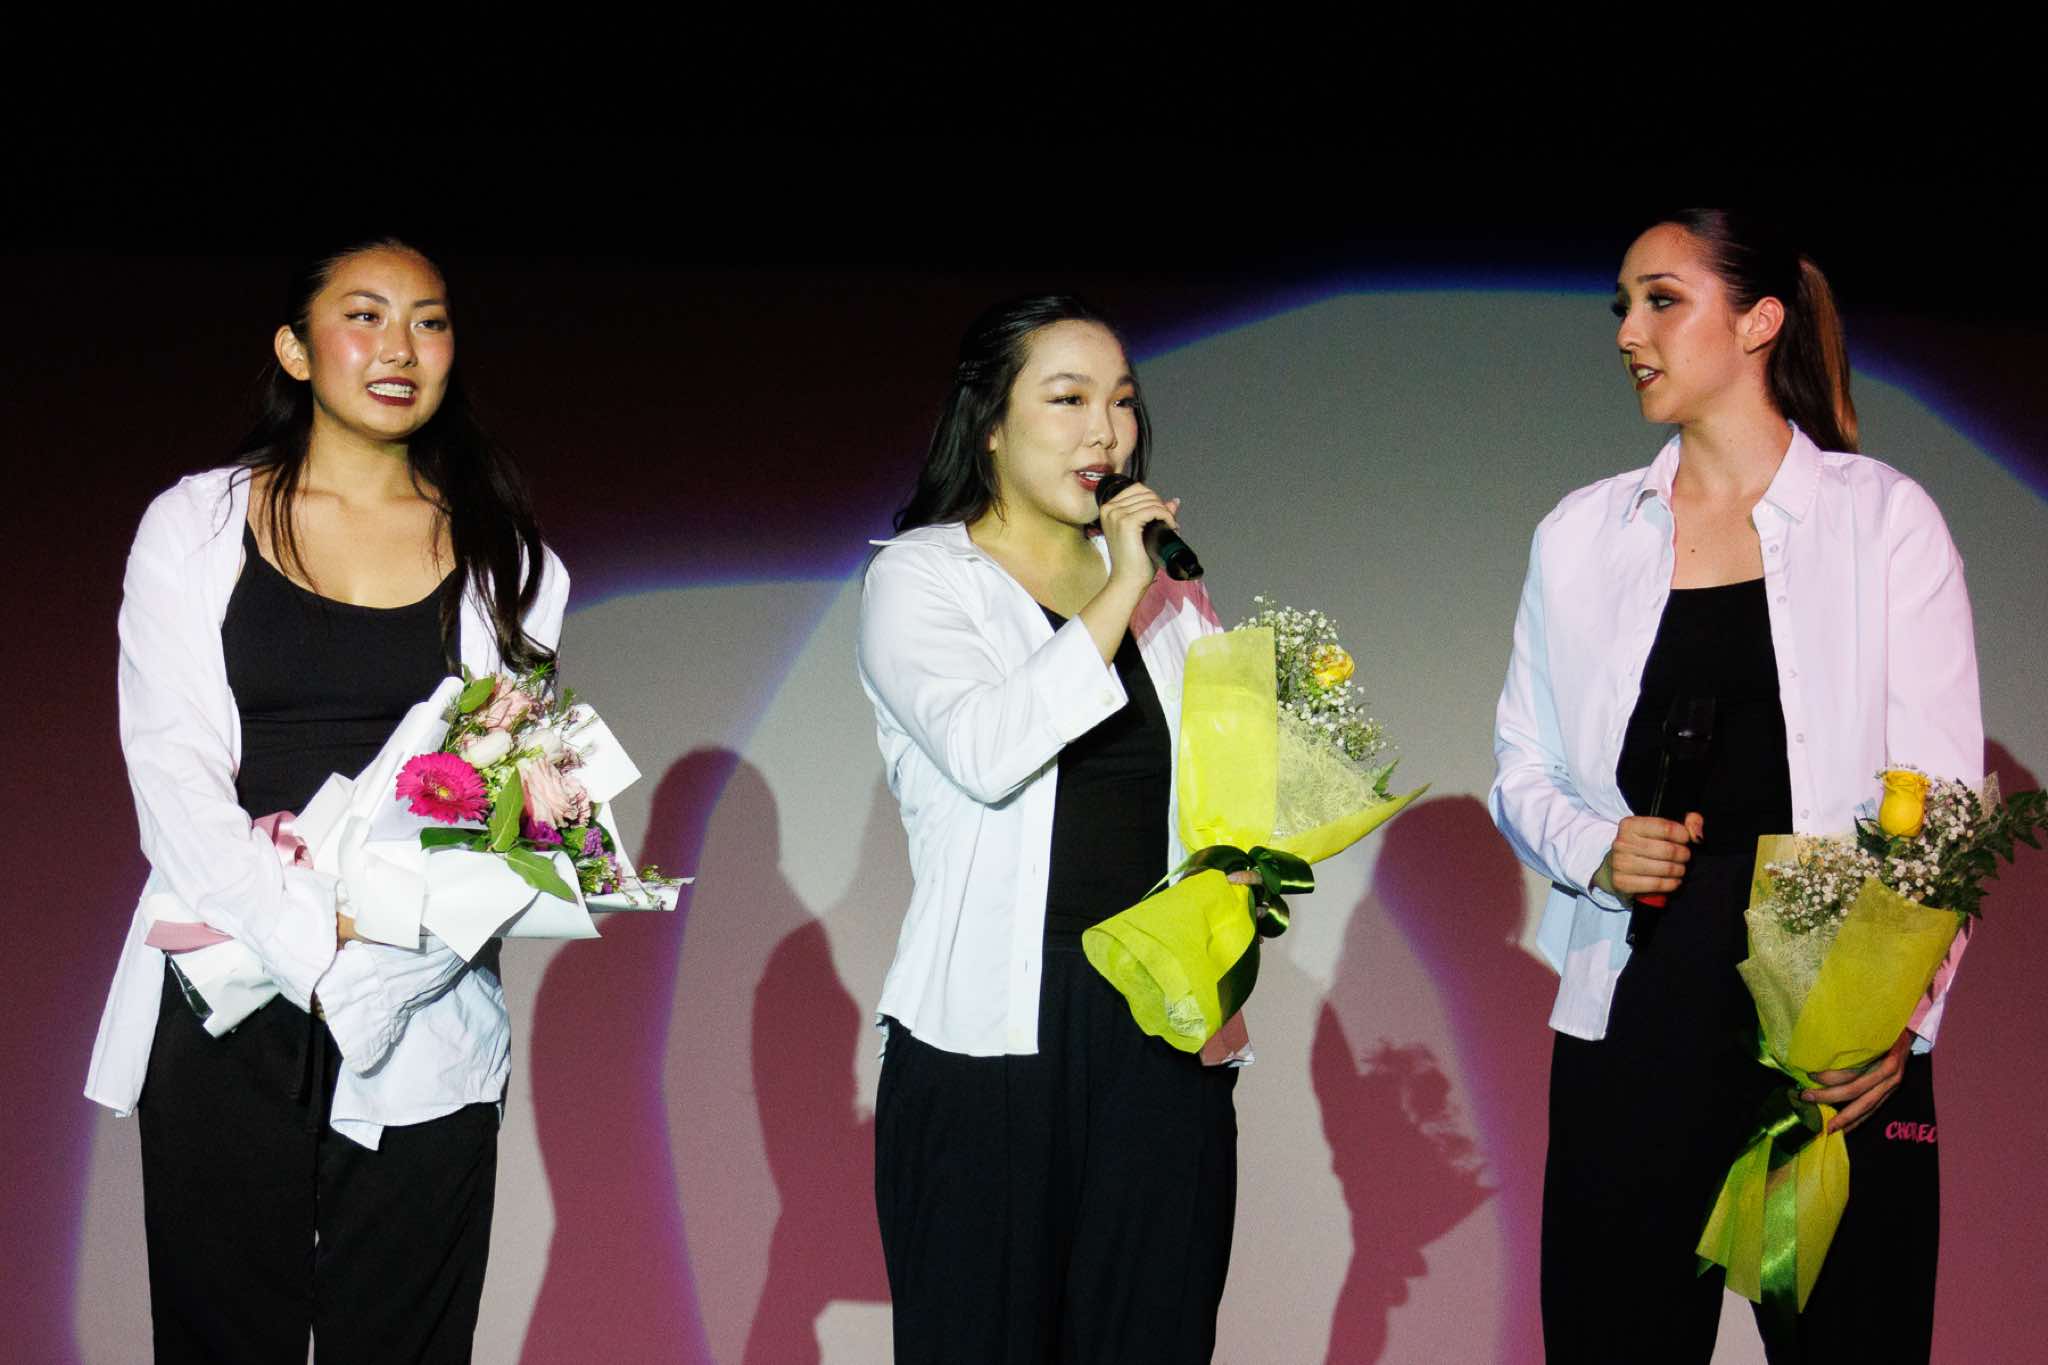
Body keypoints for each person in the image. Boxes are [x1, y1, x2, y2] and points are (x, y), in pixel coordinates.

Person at [1490, 209, 1980, 1363]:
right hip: (1637, 1004)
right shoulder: (1579, 535)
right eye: (1621, 305)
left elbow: (1941, 803)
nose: (1628, 331)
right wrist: (1596, 849)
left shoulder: (1880, 520)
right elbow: (1523, 763)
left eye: (1661, 300)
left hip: (1826, 1032)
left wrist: (1897, 1020)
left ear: (1759, 321)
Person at [84, 238, 569, 1363]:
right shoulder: (196, 524)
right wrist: (316, 948)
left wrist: (372, 968)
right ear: (295, 350)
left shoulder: (512, 561)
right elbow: (172, 777)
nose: (400, 347)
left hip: (420, 999)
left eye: (429, 321)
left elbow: (502, 810)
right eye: (365, 316)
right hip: (228, 987)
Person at [857, 296, 1239, 1363]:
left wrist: (1250, 872)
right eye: (1067, 399)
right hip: (990, 1041)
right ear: (989, 422)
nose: (1103, 433)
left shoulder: (1173, 594)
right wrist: (1122, 588)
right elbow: (987, 749)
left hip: (1159, 1028)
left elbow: (1224, 788)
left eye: (1121, 402)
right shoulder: (922, 577)